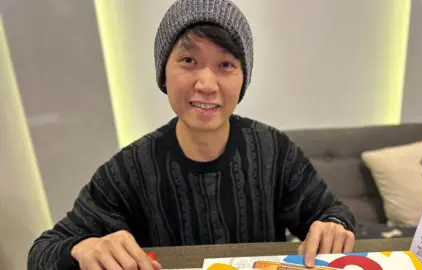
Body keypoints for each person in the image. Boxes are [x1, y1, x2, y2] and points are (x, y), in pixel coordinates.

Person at [28, 0, 355, 269]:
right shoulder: (129, 170)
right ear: (164, 74)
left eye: (225, 65)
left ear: (243, 78)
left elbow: (333, 214)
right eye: (188, 60)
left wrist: (332, 226)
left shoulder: (273, 150)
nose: (207, 85)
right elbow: (42, 252)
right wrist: (84, 248)